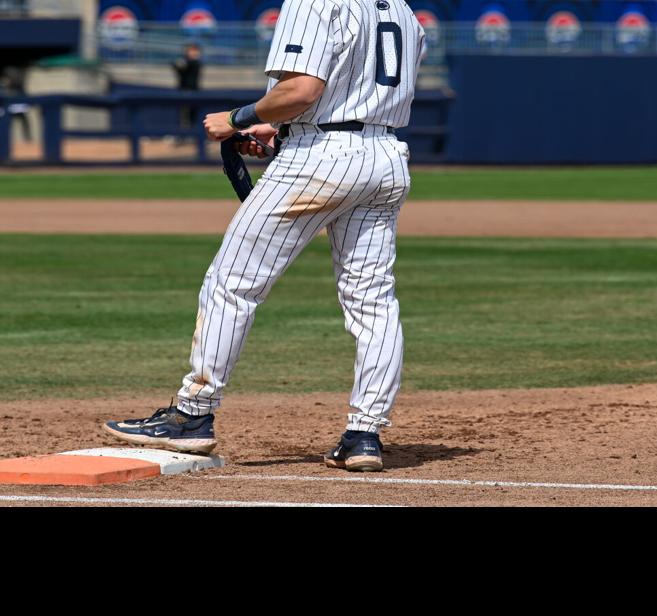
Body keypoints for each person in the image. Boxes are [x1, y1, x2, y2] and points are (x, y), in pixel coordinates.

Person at [103, 0, 424, 472]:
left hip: (320, 159)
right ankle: (364, 434)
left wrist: (236, 117)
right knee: (373, 299)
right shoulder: (402, 9)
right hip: (386, 155)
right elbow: (354, 93)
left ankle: (192, 414)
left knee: (232, 283)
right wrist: (280, 129)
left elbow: (302, 89)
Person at [172, 43, 204, 131]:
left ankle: (194, 132)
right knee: (183, 114)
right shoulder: (184, 61)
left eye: (195, 51)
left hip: (194, 91)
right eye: (191, 51)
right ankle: (182, 133)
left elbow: (191, 64)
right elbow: (176, 65)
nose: (193, 53)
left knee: (194, 114)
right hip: (183, 91)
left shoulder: (196, 63)